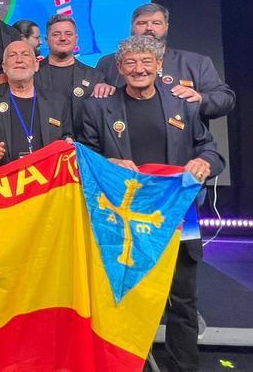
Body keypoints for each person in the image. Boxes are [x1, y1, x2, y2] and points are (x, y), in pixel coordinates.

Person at [80, 34, 224, 372]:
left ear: (159, 66)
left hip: (176, 217)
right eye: (130, 63)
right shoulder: (98, 107)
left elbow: (211, 151)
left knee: (182, 301)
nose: (139, 69)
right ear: (119, 68)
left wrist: (204, 163)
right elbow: (82, 156)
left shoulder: (184, 104)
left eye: (146, 62)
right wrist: (108, 164)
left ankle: (183, 367)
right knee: (124, 301)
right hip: (122, 223)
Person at [92, 3, 235, 122]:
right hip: (123, 146)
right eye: (142, 23)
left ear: (166, 27)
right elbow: (92, 106)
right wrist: (100, 88)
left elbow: (226, 99)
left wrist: (201, 99)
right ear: (131, 27)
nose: (149, 28)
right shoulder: (109, 63)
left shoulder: (195, 63)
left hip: (182, 149)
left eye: (156, 23)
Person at [0, 40, 72, 169]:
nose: (19, 60)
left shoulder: (57, 101)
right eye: (12, 55)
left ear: (36, 64)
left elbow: (68, 136)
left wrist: (68, 142)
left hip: (48, 183)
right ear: (4, 66)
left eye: (25, 54)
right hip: (3, 183)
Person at [34, 15, 104, 138]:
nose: (63, 38)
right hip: (44, 148)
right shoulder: (33, 74)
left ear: (76, 39)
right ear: (46, 39)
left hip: (83, 148)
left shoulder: (95, 77)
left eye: (68, 34)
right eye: (56, 34)